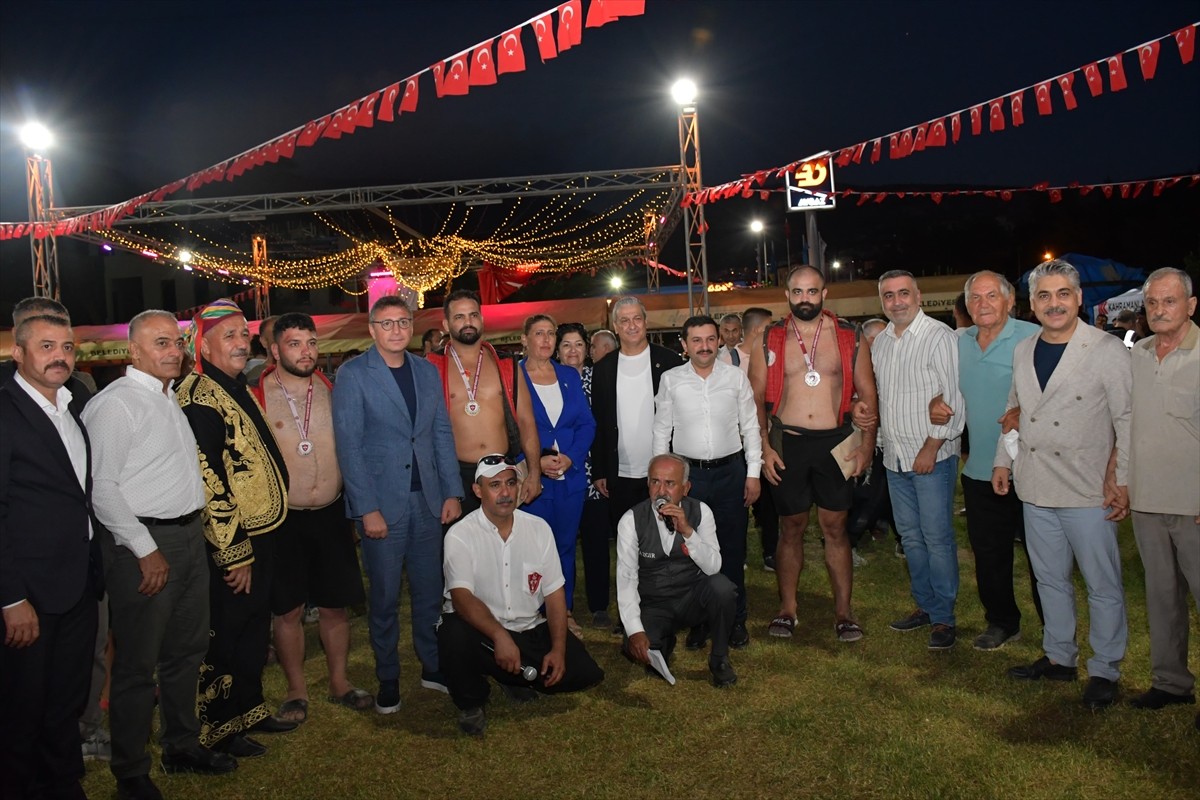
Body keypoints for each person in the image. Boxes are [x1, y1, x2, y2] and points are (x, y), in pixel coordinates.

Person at [84, 310, 235, 800]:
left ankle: (181, 746)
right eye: (161, 343)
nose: (173, 351)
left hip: (187, 537)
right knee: (136, 663)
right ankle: (130, 771)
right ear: (133, 351)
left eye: (177, 342)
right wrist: (146, 550)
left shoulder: (166, 397)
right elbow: (101, 489)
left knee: (186, 651)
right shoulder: (117, 404)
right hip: (144, 544)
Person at [994, 259, 1131, 709]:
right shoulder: (1023, 349)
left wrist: (1122, 478)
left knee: (1101, 584)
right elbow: (1014, 409)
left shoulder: (1107, 349)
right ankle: (1059, 657)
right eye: (1045, 296)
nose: (1054, 304)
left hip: (1088, 489)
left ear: (1079, 299)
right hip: (1035, 486)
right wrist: (1002, 462)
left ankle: (1106, 669)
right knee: (1050, 580)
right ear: (1032, 305)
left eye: (1063, 294)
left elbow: (1127, 422)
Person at [333, 296, 462, 714]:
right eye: (386, 324)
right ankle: (388, 676)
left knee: (429, 593)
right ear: (372, 329)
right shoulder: (353, 375)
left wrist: (451, 492)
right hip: (382, 506)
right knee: (385, 599)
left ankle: (433, 665)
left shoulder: (426, 371)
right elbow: (349, 447)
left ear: (411, 326)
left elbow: (441, 433)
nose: (395, 330)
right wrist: (365, 507)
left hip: (427, 502)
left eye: (402, 322)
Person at [176, 299, 293, 758]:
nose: (243, 343)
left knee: (251, 627)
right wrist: (233, 553)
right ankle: (220, 727)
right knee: (226, 633)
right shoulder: (196, 396)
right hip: (234, 543)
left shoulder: (233, 384)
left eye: (245, 334)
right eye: (230, 336)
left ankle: (250, 708)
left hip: (264, 530)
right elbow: (210, 483)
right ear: (203, 345)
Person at [0, 297, 107, 763]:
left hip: (78, 585)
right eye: (46, 346)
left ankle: (62, 784)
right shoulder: (4, 413)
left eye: (67, 346)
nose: (60, 355)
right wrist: (10, 598)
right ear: (18, 353)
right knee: (22, 711)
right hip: (29, 594)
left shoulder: (70, 406)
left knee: (66, 700)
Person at [253, 314, 372, 722]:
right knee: (287, 609)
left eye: (310, 343)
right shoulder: (258, 395)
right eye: (294, 344)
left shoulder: (332, 390)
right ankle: (296, 689)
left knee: (336, 605)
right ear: (275, 350)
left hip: (331, 514)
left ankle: (339, 681)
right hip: (284, 521)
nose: (305, 352)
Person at [750, 266, 877, 644]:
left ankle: (844, 612)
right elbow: (755, 398)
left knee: (835, 528)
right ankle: (786, 609)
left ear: (825, 293)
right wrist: (763, 447)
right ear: (787, 295)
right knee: (791, 528)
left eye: (812, 291)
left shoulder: (850, 337)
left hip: (836, 442)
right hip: (787, 442)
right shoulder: (768, 338)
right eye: (797, 292)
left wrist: (866, 448)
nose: (804, 298)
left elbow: (869, 397)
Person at [439, 455, 605, 736]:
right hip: (481, 633)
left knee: (585, 672)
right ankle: (472, 700)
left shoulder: (538, 529)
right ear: (478, 491)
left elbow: (554, 594)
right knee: (452, 632)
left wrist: (558, 649)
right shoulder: (459, 535)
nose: (505, 493)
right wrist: (499, 636)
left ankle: (512, 676)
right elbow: (462, 599)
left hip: (526, 628)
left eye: (510, 483)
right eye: (494, 485)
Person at [928, 272, 1043, 651]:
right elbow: (937, 383)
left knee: (1043, 558)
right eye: (975, 298)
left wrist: (1024, 410)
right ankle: (1002, 621)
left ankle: (1055, 628)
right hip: (979, 468)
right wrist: (935, 401)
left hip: (1032, 467)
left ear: (1009, 300)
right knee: (990, 554)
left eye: (992, 296)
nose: (983, 304)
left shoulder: (1032, 336)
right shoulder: (956, 342)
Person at [653, 315, 761, 650]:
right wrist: (661, 484)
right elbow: (661, 431)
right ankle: (699, 621)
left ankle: (734, 621)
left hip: (731, 474)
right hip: (690, 480)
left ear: (719, 341)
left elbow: (751, 426)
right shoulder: (671, 380)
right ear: (684, 345)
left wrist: (753, 473)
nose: (704, 346)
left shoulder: (735, 378)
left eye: (710, 339)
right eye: (696, 340)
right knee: (691, 552)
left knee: (731, 549)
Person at [872, 270, 965, 650]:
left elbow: (955, 401)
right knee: (911, 538)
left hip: (931, 458)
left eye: (903, 293)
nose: (897, 301)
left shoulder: (938, 337)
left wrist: (931, 446)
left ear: (919, 295)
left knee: (937, 539)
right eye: (889, 295)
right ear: (882, 301)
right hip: (895, 458)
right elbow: (884, 398)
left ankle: (944, 617)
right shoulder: (881, 343)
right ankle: (926, 606)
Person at [1126, 268, 1199, 725]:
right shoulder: (1138, 354)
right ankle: (1171, 684)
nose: (1159, 310)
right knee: (1162, 597)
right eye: (1152, 303)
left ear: (1191, 306)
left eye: (1169, 302)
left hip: (1194, 505)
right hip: (1147, 501)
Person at [617, 454, 738, 687]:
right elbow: (626, 578)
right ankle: (663, 640)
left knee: (723, 589)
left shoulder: (702, 512)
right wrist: (634, 630)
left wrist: (689, 532)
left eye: (670, 483)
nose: (661, 491)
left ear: (686, 487)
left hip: (691, 597)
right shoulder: (631, 520)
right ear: (647, 484)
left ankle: (719, 659)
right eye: (655, 482)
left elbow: (714, 567)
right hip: (654, 603)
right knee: (636, 647)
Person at [428, 290, 542, 515]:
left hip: (502, 471)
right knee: (459, 547)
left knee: (503, 546)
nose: (468, 322)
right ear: (446, 323)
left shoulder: (508, 365)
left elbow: (527, 422)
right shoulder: (431, 367)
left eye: (473, 315)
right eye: (459, 317)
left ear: (482, 318)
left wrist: (534, 473)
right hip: (456, 476)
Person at [519, 314, 596, 638]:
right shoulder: (514, 376)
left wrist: (570, 458)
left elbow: (586, 424)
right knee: (532, 551)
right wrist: (532, 461)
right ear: (525, 339)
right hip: (532, 481)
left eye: (551, 333)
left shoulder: (568, 375)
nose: (547, 340)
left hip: (569, 480)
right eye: (539, 333)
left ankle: (562, 612)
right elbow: (510, 429)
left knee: (564, 547)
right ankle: (532, 615)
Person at [591, 296, 684, 541]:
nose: (632, 326)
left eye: (637, 319)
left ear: (645, 322)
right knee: (628, 540)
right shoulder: (603, 369)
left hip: (662, 470)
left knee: (666, 538)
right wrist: (600, 470)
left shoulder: (670, 362)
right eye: (624, 320)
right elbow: (598, 421)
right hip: (620, 472)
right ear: (615, 327)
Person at [557, 324, 613, 629]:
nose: (573, 351)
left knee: (595, 543)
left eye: (579, 345)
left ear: (588, 349)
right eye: (566, 345)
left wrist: (603, 470)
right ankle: (559, 606)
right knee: (560, 544)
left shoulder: (599, 379)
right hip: (560, 473)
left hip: (594, 476)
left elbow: (604, 427)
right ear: (557, 349)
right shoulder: (548, 380)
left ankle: (599, 605)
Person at [741, 307, 779, 570]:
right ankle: (737, 553)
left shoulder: (774, 355)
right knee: (739, 503)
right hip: (739, 441)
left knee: (770, 502)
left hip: (767, 438)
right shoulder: (727, 359)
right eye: (769, 326)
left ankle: (771, 552)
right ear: (758, 330)